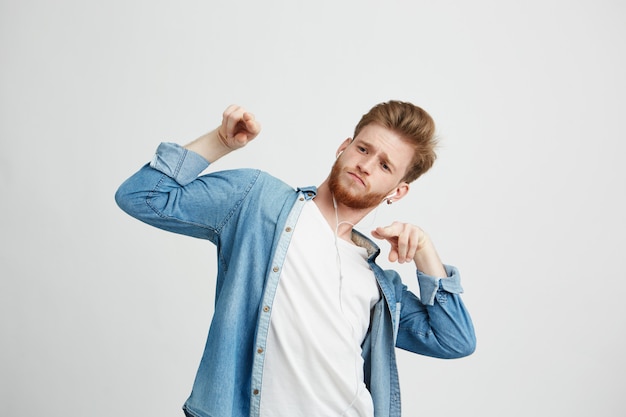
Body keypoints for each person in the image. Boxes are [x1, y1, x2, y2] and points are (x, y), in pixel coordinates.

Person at [115, 101, 476, 417]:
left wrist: (426, 251)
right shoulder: (258, 201)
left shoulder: (381, 287)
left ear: (398, 191)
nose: (366, 165)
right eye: (363, 149)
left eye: (384, 166)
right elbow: (141, 196)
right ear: (344, 147)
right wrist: (220, 142)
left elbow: (454, 340)